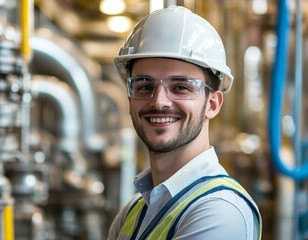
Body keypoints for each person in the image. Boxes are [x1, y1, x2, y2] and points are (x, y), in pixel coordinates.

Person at [108, 5, 262, 240]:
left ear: (212, 104)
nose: (159, 102)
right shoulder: (133, 210)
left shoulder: (220, 211)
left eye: (181, 87)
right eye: (144, 86)